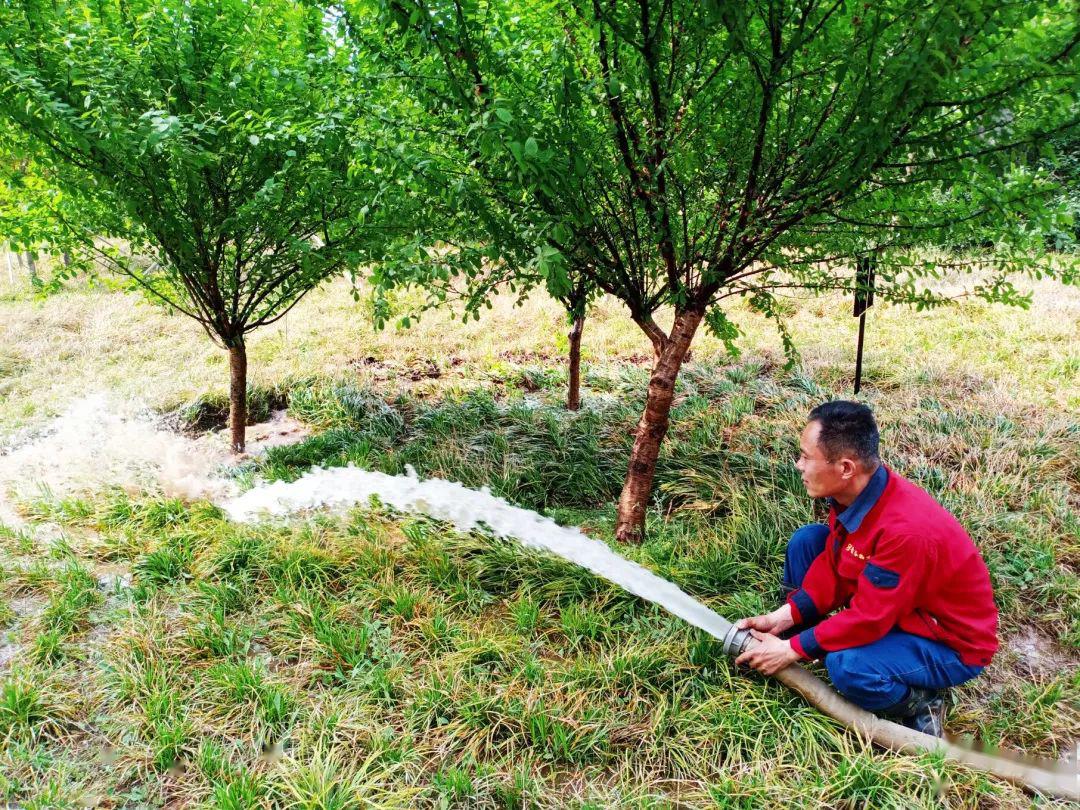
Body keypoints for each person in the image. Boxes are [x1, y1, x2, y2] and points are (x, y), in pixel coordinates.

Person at [734, 401, 998, 736]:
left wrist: (791, 650)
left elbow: (871, 618)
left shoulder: (906, 532)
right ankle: (802, 640)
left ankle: (921, 701)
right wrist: (782, 618)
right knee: (809, 541)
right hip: (901, 605)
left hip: (947, 642)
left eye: (805, 456)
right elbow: (836, 566)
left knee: (848, 667)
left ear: (845, 468)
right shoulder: (857, 495)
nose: (799, 465)